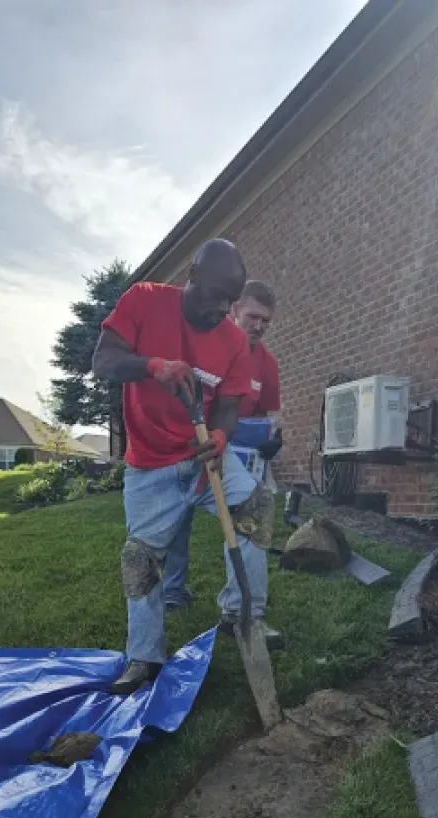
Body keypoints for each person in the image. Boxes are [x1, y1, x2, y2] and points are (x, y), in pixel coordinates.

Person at [92, 239, 281, 695]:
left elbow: (230, 407)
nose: (221, 308)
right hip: (150, 465)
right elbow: (103, 362)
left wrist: (219, 437)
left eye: (229, 301)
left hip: (204, 461)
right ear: (190, 279)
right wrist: (151, 366)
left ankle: (243, 616)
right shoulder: (144, 301)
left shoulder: (234, 342)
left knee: (255, 507)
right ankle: (144, 655)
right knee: (141, 558)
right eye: (214, 295)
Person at [163, 279, 282, 613]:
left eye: (265, 321)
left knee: (248, 513)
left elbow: (269, 413)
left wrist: (274, 438)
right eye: (253, 317)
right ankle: (173, 590)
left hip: (236, 449)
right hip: (189, 443)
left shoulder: (267, 363)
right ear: (235, 310)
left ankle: (242, 604)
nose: (259, 326)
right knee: (178, 515)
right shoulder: (209, 342)